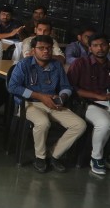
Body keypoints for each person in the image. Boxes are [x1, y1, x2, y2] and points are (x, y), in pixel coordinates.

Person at [8, 35, 86, 173]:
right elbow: (13, 87)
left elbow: (66, 86)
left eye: (49, 48)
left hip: (52, 103)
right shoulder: (24, 64)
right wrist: (39, 96)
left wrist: (62, 97)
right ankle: (40, 157)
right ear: (33, 50)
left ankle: (54, 154)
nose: (46, 51)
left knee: (79, 125)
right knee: (43, 122)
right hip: (29, 104)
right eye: (41, 48)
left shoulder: (56, 65)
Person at [66, 33, 110, 175]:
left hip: (106, 101)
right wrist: (97, 96)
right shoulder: (80, 63)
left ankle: (107, 155)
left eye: (103, 45)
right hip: (86, 104)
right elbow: (71, 88)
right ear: (90, 48)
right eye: (95, 46)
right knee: (104, 123)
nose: (100, 49)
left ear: (108, 46)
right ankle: (96, 158)